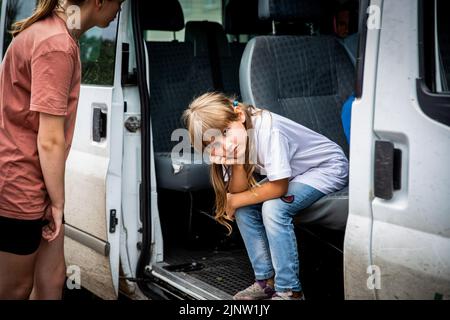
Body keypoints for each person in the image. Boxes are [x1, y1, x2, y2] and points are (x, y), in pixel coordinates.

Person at [0, 0, 123, 300]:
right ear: (99, 1)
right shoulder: (56, 44)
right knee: (15, 288)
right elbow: (50, 139)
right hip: (19, 183)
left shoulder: (55, 34)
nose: (120, 7)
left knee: (53, 278)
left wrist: (55, 201)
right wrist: (58, 203)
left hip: (37, 178)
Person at [182, 92, 349, 300]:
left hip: (326, 167)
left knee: (274, 208)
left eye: (225, 131)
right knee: (243, 208)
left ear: (239, 115)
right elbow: (238, 191)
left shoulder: (268, 128)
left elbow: (278, 187)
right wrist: (236, 163)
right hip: (295, 173)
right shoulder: (230, 147)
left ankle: (290, 291)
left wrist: (235, 201)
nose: (224, 144)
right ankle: (265, 282)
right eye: (214, 144)